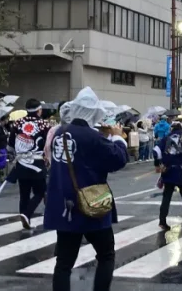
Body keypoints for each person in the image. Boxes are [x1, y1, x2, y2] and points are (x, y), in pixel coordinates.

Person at [45, 87, 127, 291]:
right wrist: (117, 137)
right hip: (91, 204)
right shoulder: (92, 137)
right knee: (106, 255)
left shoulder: (59, 133)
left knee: (64, 262)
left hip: (64, 205)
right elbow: (118, 160)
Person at [7, 98, 51, 229]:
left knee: (24, 193)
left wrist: (14, 156)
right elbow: (48, 144)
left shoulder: (18, 123)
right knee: (40, 191)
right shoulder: (44, 125)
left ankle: (24, 218)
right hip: (37, 163)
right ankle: (27, 214)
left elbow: (10, 145)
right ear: (39, 110)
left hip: (21, 163)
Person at [154, 121, 182, 230]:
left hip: (168, 170)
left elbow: (156, 151)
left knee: (166, 197)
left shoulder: (166, 138)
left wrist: (158, 164)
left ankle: (162, 221)